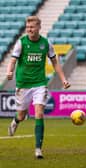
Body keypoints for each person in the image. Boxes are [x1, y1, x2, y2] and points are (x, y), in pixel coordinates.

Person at [6, 16, 70, 159]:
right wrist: (10, 71)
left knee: (39, 113)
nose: (29, 29)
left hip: (39, 84)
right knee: (22, 115)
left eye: (32, 27)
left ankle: (38, 149)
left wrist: (63, 79)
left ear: (39, 27)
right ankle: (15, 121)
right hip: (23, 84)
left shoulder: (46, 43)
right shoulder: (21, 43)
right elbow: (12, 60)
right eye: (27, 27)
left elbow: (55, 63)